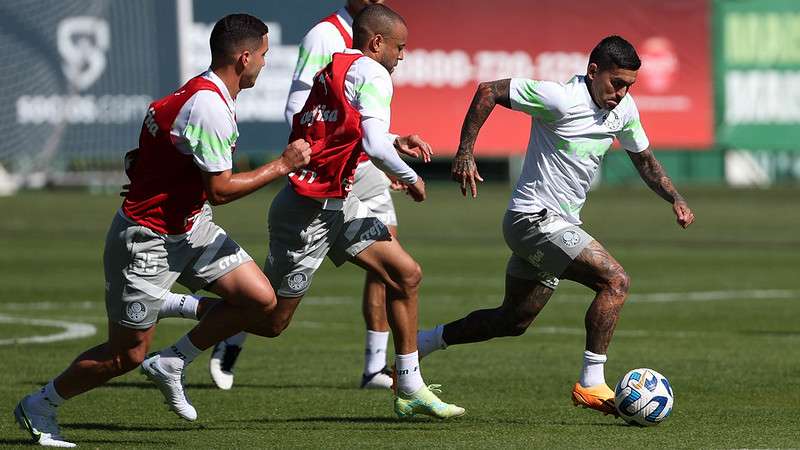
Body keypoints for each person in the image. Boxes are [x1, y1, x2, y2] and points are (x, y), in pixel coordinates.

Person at [13, 14, 311, 447]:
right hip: (148, 242)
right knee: (125, 355)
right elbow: (222, 190)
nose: (265, 63)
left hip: (191, 228)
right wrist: (284, 165)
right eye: (263, 55)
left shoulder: (203, 91)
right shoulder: (210, 106)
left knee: (263, 302)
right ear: (244, 57)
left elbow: (152, 138)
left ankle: (173, 360)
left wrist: (149, 170)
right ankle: (40, 405)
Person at [416, 35, 696, 417]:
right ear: (593, 71)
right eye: (617, 83)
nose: (622, 92)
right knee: (615, 280)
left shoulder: (624, 110)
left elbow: (643, 158)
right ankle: (592, 381)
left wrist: (674, 198)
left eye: (630, 85)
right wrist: (465, 150)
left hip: (556, 224)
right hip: (532, 218)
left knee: (513, 320)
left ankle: (420, 344)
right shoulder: (559, 98)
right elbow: (488, 91)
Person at [203, 0, 398, 391]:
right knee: (278, 301)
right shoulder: (325, 36)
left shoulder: (381, 32)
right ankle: (232, 332)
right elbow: (298, 105)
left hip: (361, 163)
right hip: (328, 169)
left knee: (394, 263)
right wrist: (326, 154)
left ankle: (375, 368)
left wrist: (387, 152)